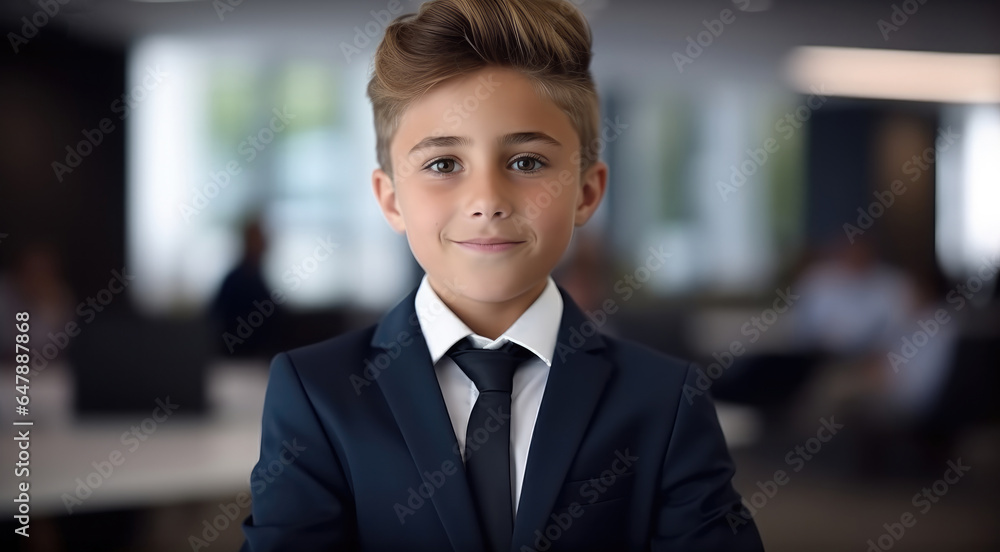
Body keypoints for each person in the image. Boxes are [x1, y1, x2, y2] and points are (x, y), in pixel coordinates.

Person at [240, 1, 764, 550]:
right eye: (444, 164)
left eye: (527, 162)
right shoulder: (316, 393)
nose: (487, 200)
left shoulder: (664, 399)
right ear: (391, 200)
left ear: (586, 192)